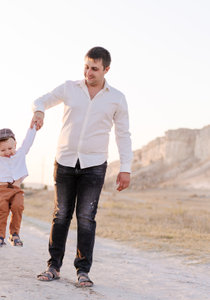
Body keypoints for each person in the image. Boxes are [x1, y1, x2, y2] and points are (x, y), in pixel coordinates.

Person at [32, 47, 133, 287]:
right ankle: (53, 266)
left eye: (95, 68)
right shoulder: (69, 88)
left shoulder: (116, 98)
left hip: (95, 164)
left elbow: (123, 134)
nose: (89, 72)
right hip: (65, 160)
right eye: (86, 67)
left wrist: (126, 167)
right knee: (61, 215)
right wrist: (38, 111)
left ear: (106, 69)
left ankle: (83, 271)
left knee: (86, 218)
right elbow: (42, 100)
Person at [0, 122, 36, 249]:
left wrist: (33, 127)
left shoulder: (21, 153)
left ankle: (14, 234)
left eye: (10, 148)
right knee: (2, 211)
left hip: (17, 190)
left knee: (18, 207)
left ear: (15, 144)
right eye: (3, 150)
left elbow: (28, 140)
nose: (8, 152)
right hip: (2, 190)